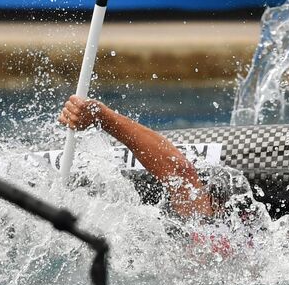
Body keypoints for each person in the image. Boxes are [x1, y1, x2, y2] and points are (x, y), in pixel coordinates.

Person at [57, 95, 252, 224]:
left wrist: (102, 116)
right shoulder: (255, 250)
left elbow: (179, 171)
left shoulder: (205, 233)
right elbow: (179, 171)